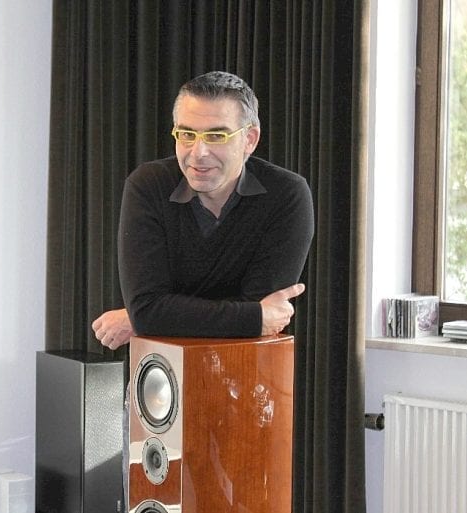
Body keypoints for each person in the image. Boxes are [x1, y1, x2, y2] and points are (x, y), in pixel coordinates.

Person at [93, 70, 314, 349]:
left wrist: (161, 315)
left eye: (216, 136)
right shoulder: (148, 185)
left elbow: (261, 309)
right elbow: (148, 311)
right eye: (187, 134)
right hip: (162, 368)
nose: (198, 153)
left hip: (249, 364)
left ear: (250, 139)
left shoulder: (286, 194)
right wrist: (252, 317)